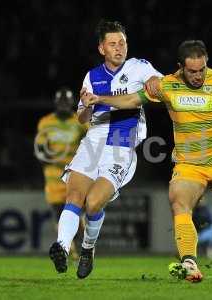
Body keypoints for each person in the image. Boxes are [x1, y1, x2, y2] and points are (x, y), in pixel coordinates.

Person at [82, 40, 212, 282]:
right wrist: (99, 99)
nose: (198, 75)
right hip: (190, 165)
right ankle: (190, 262)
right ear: (180, 67)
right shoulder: (167, 85)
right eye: (192, 71)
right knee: (178, 201)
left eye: (202, 69)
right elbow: (131, 100)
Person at [48, 20, 162, 279]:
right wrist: (87, 105)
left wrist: (155, 83)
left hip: (122, 140)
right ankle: (63, 247)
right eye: (113, 44)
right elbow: (81, 117)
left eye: (122, 43)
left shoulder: (138, 67)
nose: (119, 48)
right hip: (94, 137)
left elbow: (158, 82)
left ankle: (87, 248)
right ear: (102, 48)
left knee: (93, 203)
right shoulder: (92, 76)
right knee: (74, 195)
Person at [35, 87, 87, 260]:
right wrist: (54, 161)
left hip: (75, 176)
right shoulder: (45, 123)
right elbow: (41, 151)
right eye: (61, 102)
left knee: (77, 216)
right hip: (53, 178)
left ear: (71, 103)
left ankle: (78, 248)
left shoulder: (80, 121)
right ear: (56, 103)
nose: (64, 105)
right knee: (59, 214)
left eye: (67, 102)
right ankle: (68, 249)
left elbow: (92, 143)